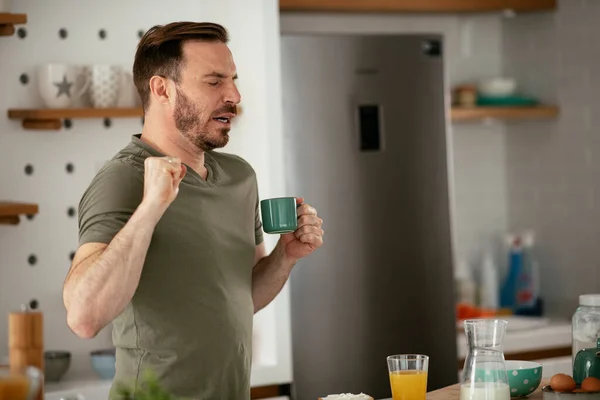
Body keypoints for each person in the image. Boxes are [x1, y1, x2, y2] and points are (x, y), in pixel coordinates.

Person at [62, 21, 324, 399]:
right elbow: (84, 317)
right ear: (162, 89)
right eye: (214, 81)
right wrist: (151, 208)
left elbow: (240, 297)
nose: (234, 94)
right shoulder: (122, 178)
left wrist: (286, 255)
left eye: (233, 79)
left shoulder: (240, 177)